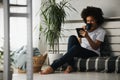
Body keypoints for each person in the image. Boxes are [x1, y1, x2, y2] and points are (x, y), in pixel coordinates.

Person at [40, 6, 106, 74]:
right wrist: (80, 34)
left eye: (92, 21)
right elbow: (79, 43)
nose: (89, 23)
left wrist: (87, 37)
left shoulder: (101, 31)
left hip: (93, 53)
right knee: (72, 37)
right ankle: (71, 65)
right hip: (81, 50)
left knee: (76, 48)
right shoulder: (86, 30)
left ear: (97, 20)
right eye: (88, 21)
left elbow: (96, 47)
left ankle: (52, 67)